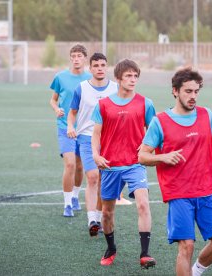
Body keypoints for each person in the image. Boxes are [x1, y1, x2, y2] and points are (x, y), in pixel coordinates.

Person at [138, 68, 212, 276]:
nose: (193, 96)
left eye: (196, 92)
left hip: (207, 188)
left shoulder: (206, 115)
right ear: (175, 91)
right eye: (188, 91)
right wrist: (162, 157)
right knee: (186, 245)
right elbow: (142, 156)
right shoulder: (160, 121)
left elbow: (211, 144)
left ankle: (196, 271)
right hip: (179, 192)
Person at [91, 59, 157, 269]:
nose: (132, 79)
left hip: (135, 164)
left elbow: (154, 132)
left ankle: (145, 254)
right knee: (107, 213)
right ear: (118, 79)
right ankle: (111, 248)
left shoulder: (145, 103)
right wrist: (96, 155)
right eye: (128, 76)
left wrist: (148, 149)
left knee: (143, 203)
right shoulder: (103, 104)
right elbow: (96, 133)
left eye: (135, 76)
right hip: (109, 165)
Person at [67, 53, 118, 236]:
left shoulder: (115, 88)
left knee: (104, 182)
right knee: (93, 177)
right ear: (90, 68)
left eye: (103, 65)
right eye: (96, 65)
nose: (99, 68)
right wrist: (71, 126)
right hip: (87, 138)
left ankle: (99, 217)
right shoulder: (81, 88)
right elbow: (72, 112)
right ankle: (91, 221)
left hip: (109, 140)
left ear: (107, 67)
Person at [49, 44, 92, 217]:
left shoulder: (90, 78)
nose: (76, 59)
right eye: (73, 56)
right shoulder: (60, 77)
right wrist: (56, 109)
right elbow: (53, 100)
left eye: (79, 56)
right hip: (64, 127)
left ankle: (75, 196)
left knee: (80, 166)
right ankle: (67, 204)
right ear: (70, 58)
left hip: (83, 128)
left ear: (84, 58)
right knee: (70, 164)